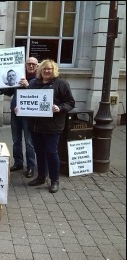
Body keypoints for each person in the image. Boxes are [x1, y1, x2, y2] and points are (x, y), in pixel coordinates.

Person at [19, 59, 75, 193]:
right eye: (44, 69)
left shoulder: (61, 84)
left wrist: (59, 107)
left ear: (54, 70)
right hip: (35, 126)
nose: (47, 71)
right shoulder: (34, 84)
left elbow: (70, 102)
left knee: (51, 152)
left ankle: (54, 180)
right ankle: (41, 176)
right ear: (40, 70)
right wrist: (20, 108)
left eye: (49, 69)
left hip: (53, 126)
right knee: (39, 152)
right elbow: (27, 101)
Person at [0, 57, 38, 178]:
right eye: (29, 64)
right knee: (16, 140)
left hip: (28, 115)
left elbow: (39, 95)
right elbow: (9, 91)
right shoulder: (18, 76)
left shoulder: (39, 79)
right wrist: (0, 85)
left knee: (29, 141)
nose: (31, 66)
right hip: (15, 112)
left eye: (33, 64)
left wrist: (28, 86)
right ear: (25, 65)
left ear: (37, 66)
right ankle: (18, 163)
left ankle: (31, 166)